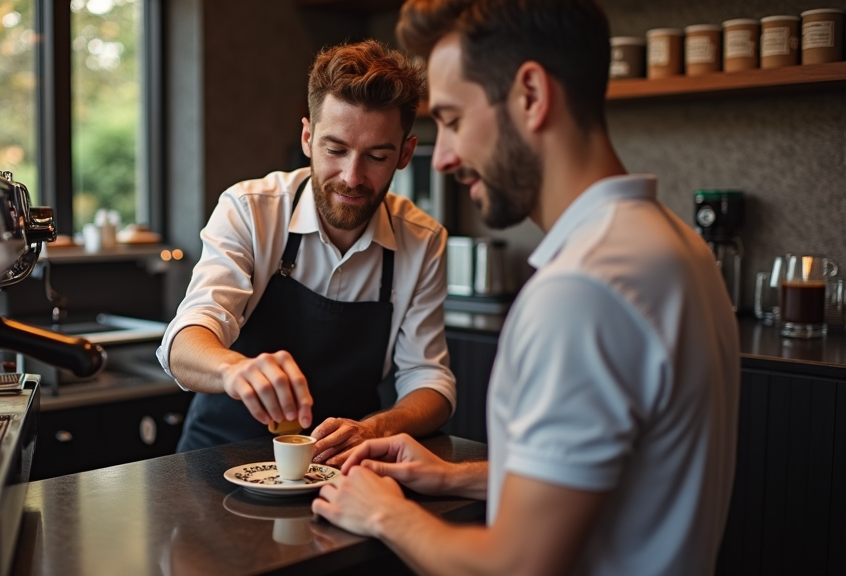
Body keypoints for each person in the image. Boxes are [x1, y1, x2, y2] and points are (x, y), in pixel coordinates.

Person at [311, 1, 741, 575]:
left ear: (532, 96)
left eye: (455, 120)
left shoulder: (580, 292)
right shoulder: (678, 247)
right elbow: (623, 470)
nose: (442, 158)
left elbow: (517, 566)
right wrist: (449, 475)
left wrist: (386, 514)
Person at [157, 40, 456, 464]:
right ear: (307, 137)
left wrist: (376, 427)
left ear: (404, 154)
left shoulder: (422, 241)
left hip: (339, 467)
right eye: (335, 150)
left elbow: (431, 381)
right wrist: (234, 370)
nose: (352, 177)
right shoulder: (249, 209)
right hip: (217, 457)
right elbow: (185, 340)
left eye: (375, 156)